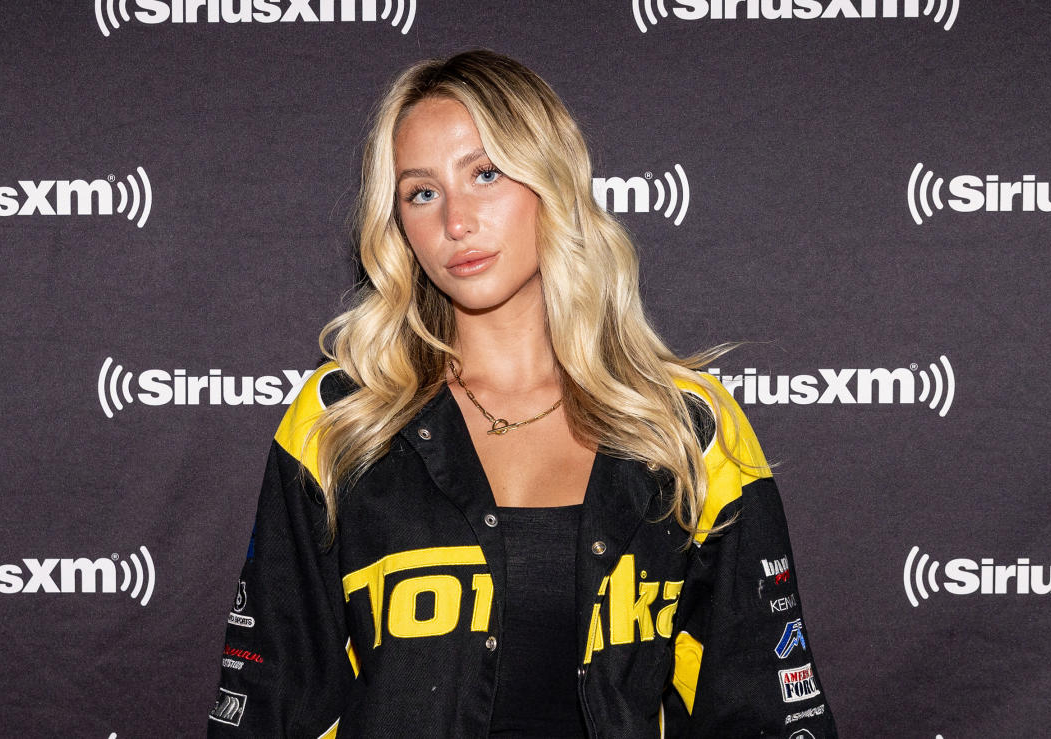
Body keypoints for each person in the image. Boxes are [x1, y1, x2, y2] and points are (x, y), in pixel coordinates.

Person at [207, 49, 837, 738]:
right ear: (398, 226)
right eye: (422, 192)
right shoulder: (339, 423)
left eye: (485, 174)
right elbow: (269, 704)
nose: (455, 222)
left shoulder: (687, 427)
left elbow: (762, 710)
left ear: (552, 181)